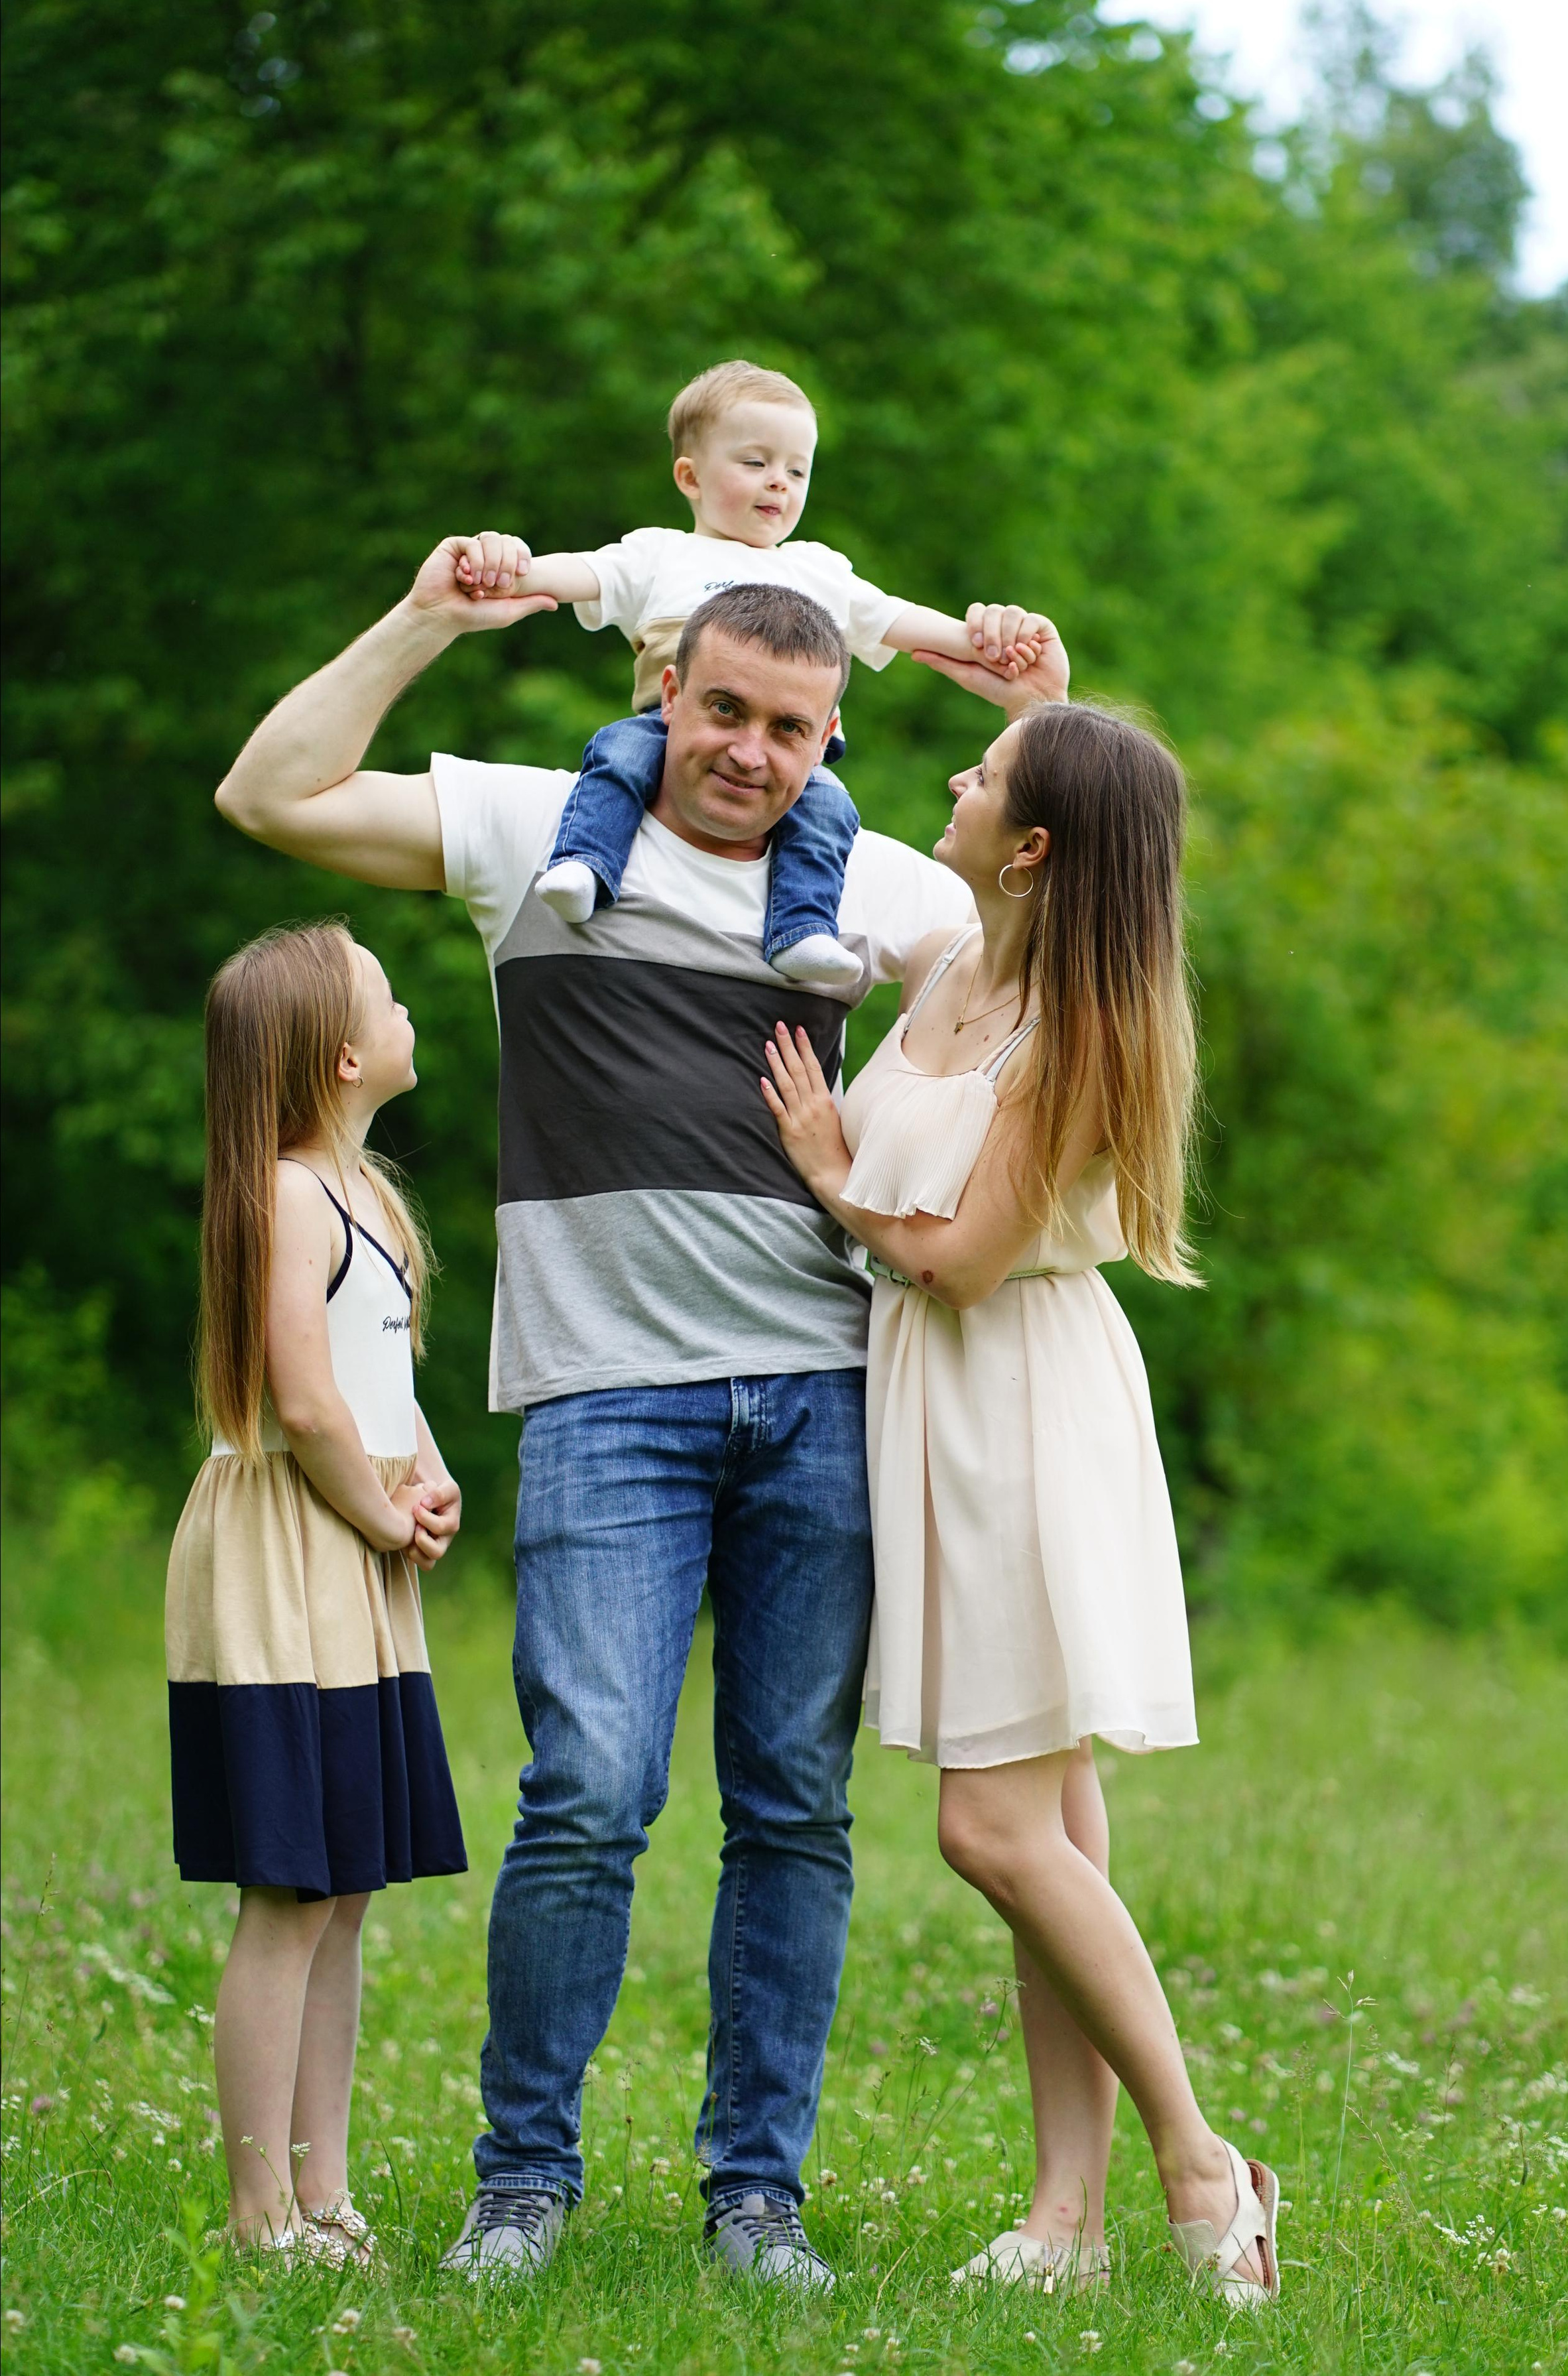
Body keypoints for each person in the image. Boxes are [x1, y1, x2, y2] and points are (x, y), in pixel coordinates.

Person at [211, 536, 1068, 2286]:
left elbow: (1056, 954)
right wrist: (426, 620)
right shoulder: (541, 839)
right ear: (666, 694)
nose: (755, 753)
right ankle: (522, 2182)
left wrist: (1045, 728)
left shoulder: (873, 885)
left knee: (793, 1810)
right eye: (727, 712)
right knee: (588, 1791)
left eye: (796, 729)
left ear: (834, 740)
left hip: (824, 1396)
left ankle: (758, 2197)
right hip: (610, 1400)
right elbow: (272, 793)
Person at [758, 702, 1280, 2310]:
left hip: (1017, 1408)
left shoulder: (1071, 1025)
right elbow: (1050, 793)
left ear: (1034, 849)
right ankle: (1065, 2213)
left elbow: (960, 1255)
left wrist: (823, 1160)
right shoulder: (948, 970)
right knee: (1045, 1825)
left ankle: (1201, 2161)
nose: (954, 789)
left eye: (981, 783)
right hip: (938, 1403)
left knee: (990, 1826)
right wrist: (1029, 685)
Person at [166, 922, 467, 2263]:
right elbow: (299, 1396)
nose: (409, 1009)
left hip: (354, 1542)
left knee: (343, 1888)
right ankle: (255, 2212)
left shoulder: (368, 1198)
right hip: (290, 1551)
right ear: (347, 1056)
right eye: (387, 998)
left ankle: (323, 2189)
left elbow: (377, 1384)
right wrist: (382, 1509)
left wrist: (432, 1477)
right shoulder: (288, 1194)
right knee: (286, 1891)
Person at [456, 357, 1051, 992]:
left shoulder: (816, 570)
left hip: (791, 757)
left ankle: (802, 931)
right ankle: (584, 865)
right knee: (616, 755)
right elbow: (567, 574)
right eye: (755, 463)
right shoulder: (660, 555)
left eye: (797, 471)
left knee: (828, 809)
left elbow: (901, 621)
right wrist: (500, 563)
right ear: (690, 475)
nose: (779, 484)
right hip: (670, 734)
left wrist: (990, 640)